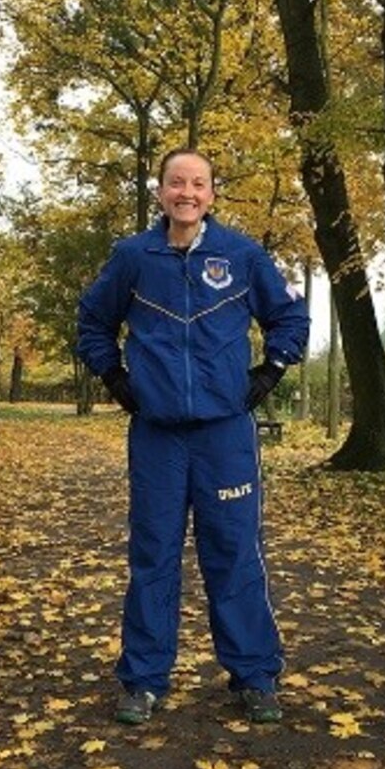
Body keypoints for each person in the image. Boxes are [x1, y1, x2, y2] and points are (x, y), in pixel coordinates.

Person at [77, 148, 309, 725]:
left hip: (225, 436)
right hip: (157, 436)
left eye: (198, 184)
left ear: (211, 193)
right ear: (160, 191)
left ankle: (255, 677)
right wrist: (114, 377)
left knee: (233, 552)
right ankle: (143, 681)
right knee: (152, 554)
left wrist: (271, 370)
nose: (187, 193)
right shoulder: (133, 257)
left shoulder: (242, 254)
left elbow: (290, 318)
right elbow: (92, 322)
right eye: (177, 183)